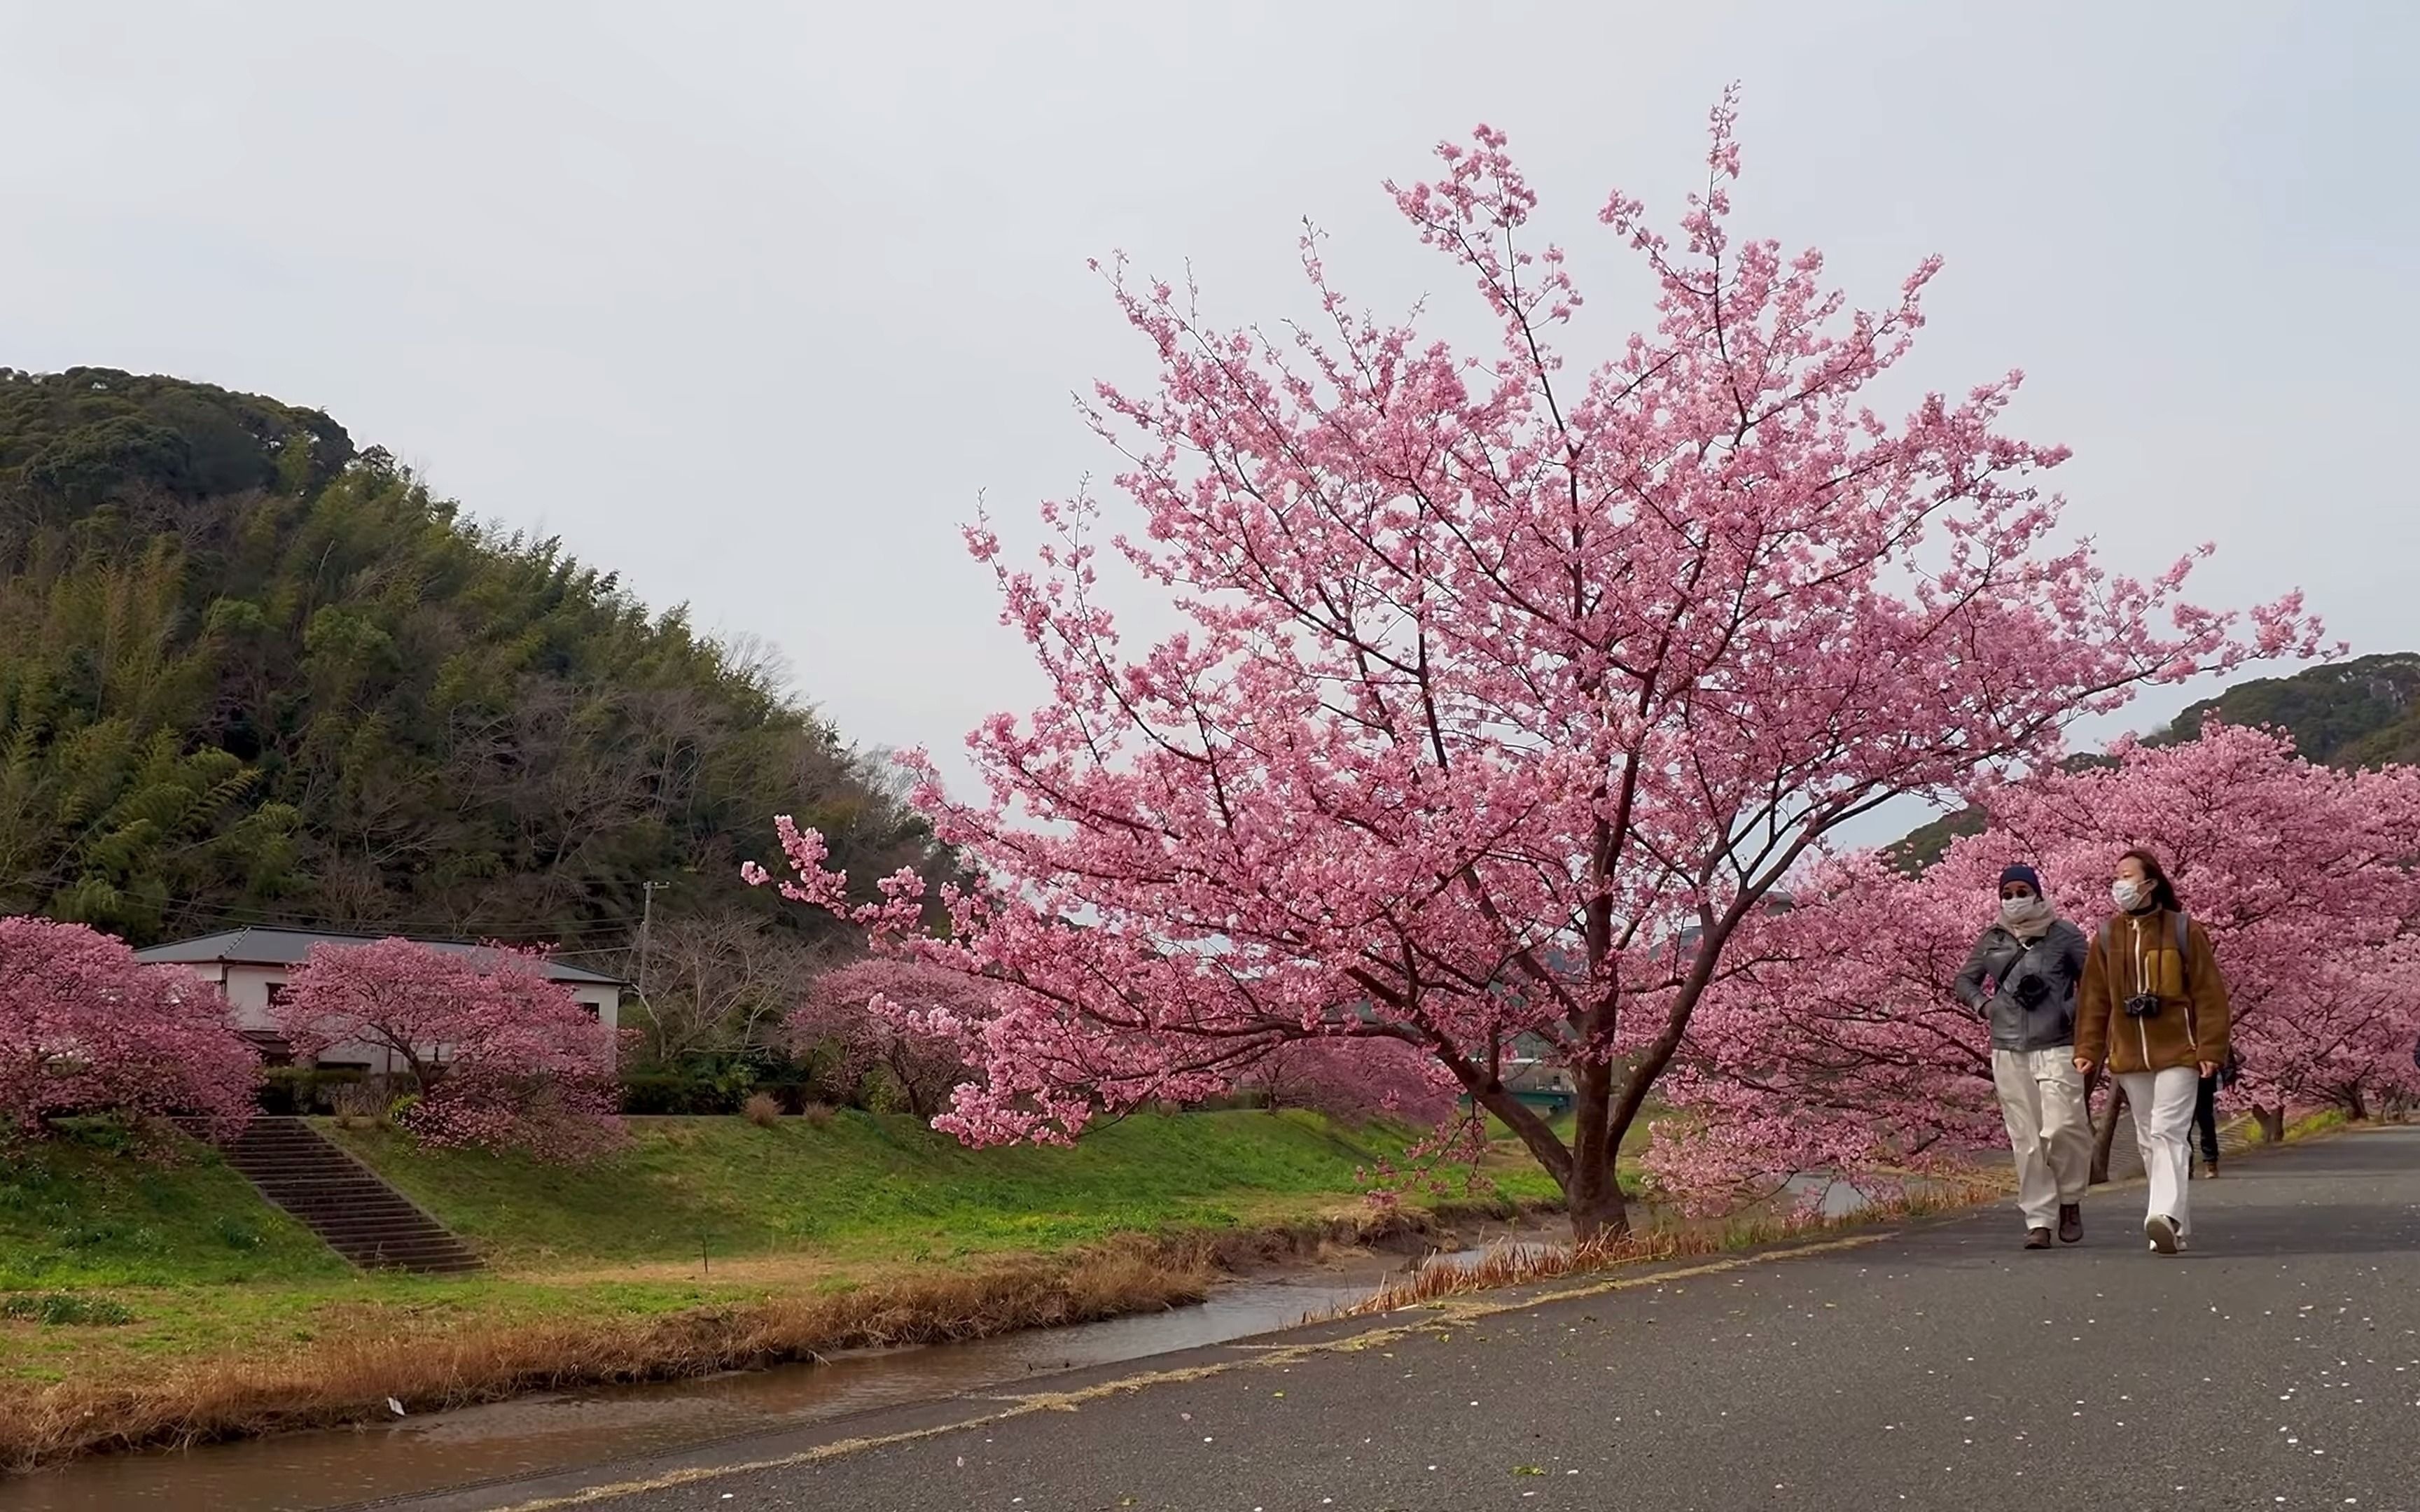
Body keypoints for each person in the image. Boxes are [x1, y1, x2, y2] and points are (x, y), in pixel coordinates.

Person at [2075, 848, 2231, 1256]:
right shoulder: (2107, 937)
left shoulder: (2183, 930)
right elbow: (2094, 1000)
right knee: (2148, 1139)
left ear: (2150, 883)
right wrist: (2088, 1048)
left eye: (2126, 876)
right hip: (2128, 1055)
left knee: (2167, 1131)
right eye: (2116, 877)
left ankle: (2164, 1215)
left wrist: (2211, 1046)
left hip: (2179, 1049)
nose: (2119, 884)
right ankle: (2173, 1224)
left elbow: (2209, 994)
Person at [1956, 864, 2091, 1250]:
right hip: (2008, 1047)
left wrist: (2073, 1009)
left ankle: (2070, 1199)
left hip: (2058, 1044)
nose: (2015, 899)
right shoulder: (1993, 939)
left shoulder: (2063, 934)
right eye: (2008, 893)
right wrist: (1985, 1006)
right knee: (2027, 1140)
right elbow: (1964, 980)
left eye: (2022, 891)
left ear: (2037, 892)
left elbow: (2095, 978)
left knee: (2064, 1126)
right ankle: (2039, 1220)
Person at [2192, 1047, 2241, 1180]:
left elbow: (2221, 1046)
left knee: (2205, 1119)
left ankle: (2210, 1162)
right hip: (2180, 1074)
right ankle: (2185, 1165)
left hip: (2204, 1077)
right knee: (2182, 1124)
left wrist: (2229, 1075)